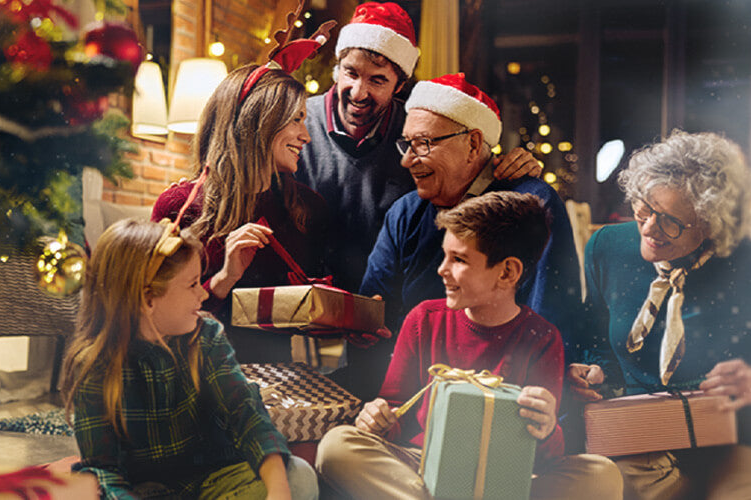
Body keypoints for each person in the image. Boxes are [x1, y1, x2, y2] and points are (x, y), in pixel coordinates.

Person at [315, 192, 620, 499]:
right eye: (444, 255)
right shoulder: (424, 319)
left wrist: (547, 428)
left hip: (504, 477)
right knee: (336, 446)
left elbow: (544, 458)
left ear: (506, 272)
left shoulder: (541, 338)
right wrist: (378, 418)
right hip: (422, 467)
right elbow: (396, 412)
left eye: (458, 259)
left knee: (601, 475)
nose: (442, 269)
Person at [566, 132, 751, 499]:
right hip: (641, 436)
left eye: (669, 221)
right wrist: (592, 372)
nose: (647, 228)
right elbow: (595, 342)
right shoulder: (608, 248)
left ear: (710, 224)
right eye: (643, 209)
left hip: (736, 438)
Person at [353, 73, 583, 397]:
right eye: (406, 144)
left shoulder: (532, 204)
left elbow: (551, 319)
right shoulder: (404, 213)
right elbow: (375, 314)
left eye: (423, 144)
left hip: (503, 395)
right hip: (414, 391)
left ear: (473, 144)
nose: (406, 160)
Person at [295, 2, 542, 293]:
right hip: (304, 300)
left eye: (377, 80)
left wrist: (519, 166)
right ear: (338, 68)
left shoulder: (416, 130)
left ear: (399, 85)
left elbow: (471, 169)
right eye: (351, 73)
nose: (359, 92)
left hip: (383, 301)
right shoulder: (297, 123)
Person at [62, 220, 317, 499]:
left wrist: (279, 490)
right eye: (192, 284)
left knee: (299, 477)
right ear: (147, 300)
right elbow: (102, 469)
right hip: (144, 491)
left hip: (219, 479)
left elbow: (245, 414)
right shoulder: (93, 365)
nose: (204, 293)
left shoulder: (207, 337)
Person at [150, 62, 335, 368]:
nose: (306, 136)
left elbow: (321, 335)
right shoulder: (178, 206)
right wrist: (225, 278)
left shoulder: (310, 208)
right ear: (258, 122)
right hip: (207, 378)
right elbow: (158, 322)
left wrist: (348, 333)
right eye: (296, 120)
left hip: (293, 383)